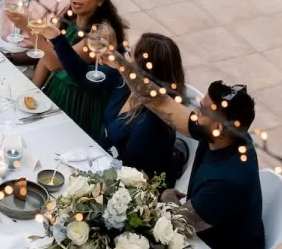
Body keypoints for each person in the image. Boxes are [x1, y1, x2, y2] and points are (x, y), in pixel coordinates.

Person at [44, 28, 188, 183]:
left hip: (127, 185)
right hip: (102, 162)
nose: (123, 55)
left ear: (142, 70)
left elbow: (131, 174)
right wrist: (57, 38)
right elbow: (82, 74)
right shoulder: (125, 82)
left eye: (129, 54)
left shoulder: (150, 124)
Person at [151, 81, 265, 249]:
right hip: (207, 230)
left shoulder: (226, 181)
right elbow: (162, 104)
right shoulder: (228, 137)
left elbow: (180, 224)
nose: (195, 113)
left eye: (202, 109)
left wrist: (167, 198)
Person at [30, 0, 127, 144]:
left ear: (100, 0)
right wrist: (33, 91)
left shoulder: (101, 33)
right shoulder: (69, 16)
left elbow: (58, 63)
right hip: (56, 90)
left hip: (80, 103)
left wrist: (27, 29)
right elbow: (47, 56)